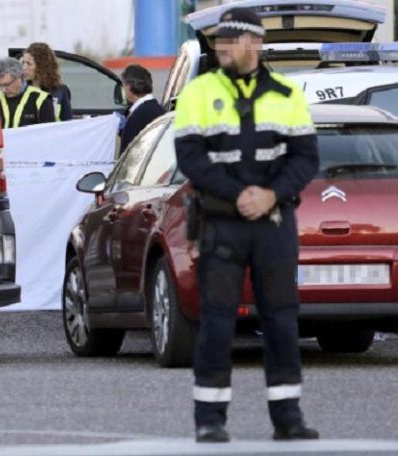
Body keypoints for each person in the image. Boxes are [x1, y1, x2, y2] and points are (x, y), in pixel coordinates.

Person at [174, 7, 320, 443]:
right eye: (217, 41)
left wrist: (271, 195)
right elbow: (190, 157)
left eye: (228, 41)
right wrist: (239, 195)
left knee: (281, 319)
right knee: (217, 321)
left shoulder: (287, 94)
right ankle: (210, 419)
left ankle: (288, 417)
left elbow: (305, 158)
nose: (220, 48)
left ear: (253, 43)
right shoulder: (199, 92)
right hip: (222, 225)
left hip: (274, 223)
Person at [0, 57, 55, 129]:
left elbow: (49, 134)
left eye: (7, 85)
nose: (3, 90)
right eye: (0, 85)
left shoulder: (41, 99)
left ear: (21, 77)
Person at [118, 64, 164, 154]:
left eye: (123, 85)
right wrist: (123, 131)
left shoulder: (138, 115)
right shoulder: (155, 109)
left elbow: (130, 153)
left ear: (129, 87)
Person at [22, 42, 72, 121]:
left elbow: (68, 123)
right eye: (23, 63)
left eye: (29, 64)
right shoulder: (21, 90)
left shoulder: (61, 91)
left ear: (41, 66)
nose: (24, 67)